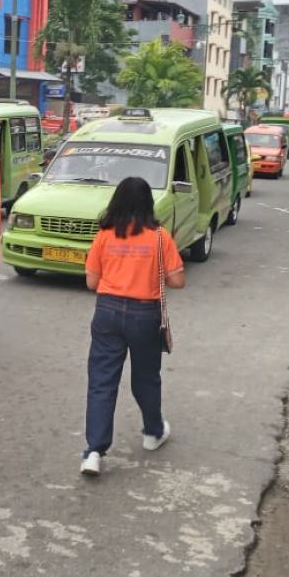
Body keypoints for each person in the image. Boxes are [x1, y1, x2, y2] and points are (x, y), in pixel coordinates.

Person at [80, 176, 186, 477]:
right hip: (144, 314)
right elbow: (178, 280)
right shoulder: (159, 236)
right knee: (146, 378)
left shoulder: (105, 235)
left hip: (107, 312)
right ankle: (153, 432)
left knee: (101, 381)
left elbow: (91, 282)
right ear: (148, 204)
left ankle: (94, 452)